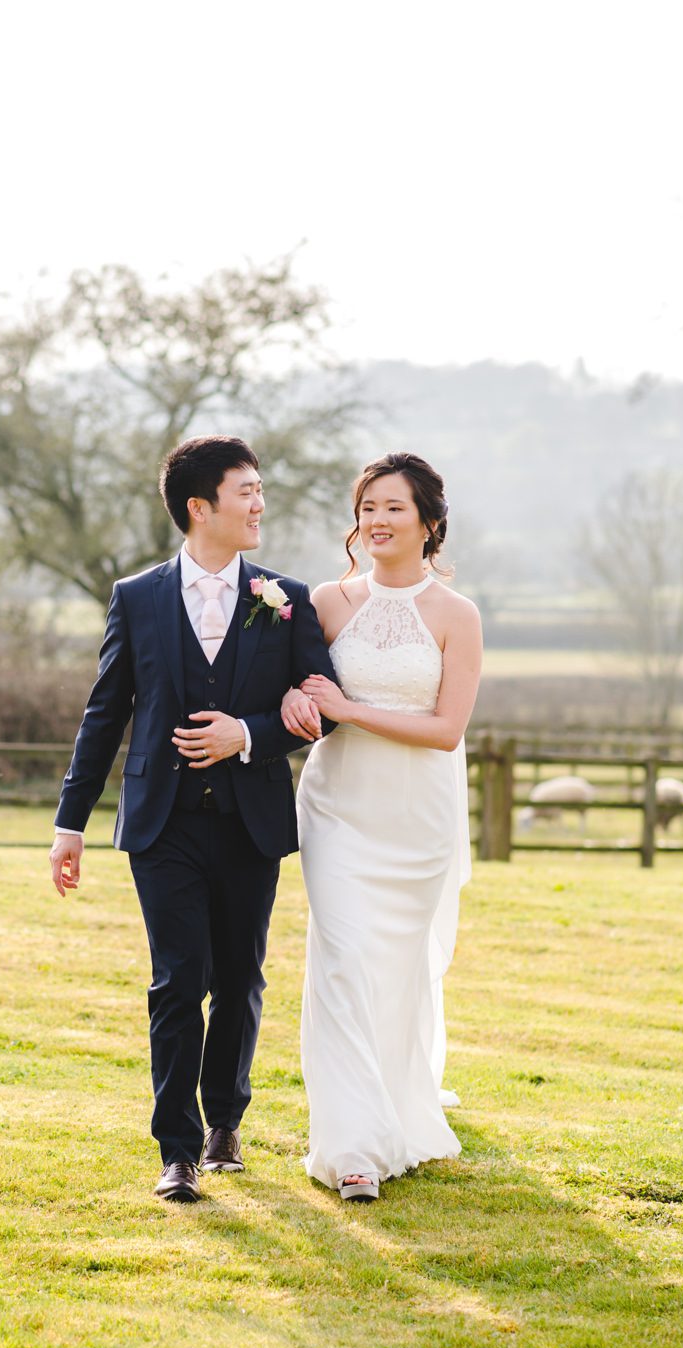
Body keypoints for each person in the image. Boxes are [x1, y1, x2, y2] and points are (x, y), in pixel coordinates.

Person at [49, 435, 339, 1203]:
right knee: (179, 979)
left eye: (260, 489)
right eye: (246, 490)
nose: (260, 504)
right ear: (199, 507)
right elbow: (104, 714)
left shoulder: (288, 597)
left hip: (250, 820)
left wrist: (248, 733)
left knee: (239, 977)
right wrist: (69, 822)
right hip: (162, 822)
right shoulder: (137, 597)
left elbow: (323, 708)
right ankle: (175, 1148)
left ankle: (224, 1127)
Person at [279, 452, 483, 1202]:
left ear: (428, 521)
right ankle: (352, 1147)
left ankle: (397, 1109)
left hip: (417, 823)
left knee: (394, 973)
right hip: (338, 812)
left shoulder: (456, 615)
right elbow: (293, 689)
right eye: (367, 506)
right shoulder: (327, 602)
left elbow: (445, 729)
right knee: (341, 964)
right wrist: (294, 707)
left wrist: (349, 708)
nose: (376, 520)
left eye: (393, 507)